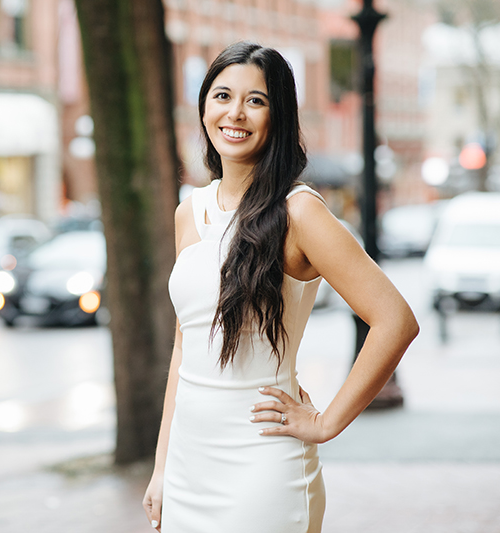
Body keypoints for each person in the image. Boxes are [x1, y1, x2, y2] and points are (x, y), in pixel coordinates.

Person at [142, 42, 419, 533]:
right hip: (188, 462)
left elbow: (395, 320)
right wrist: (163, 466)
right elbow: (184, 349)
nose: (235, 112)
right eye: (223, 95)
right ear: (204, 105)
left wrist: (325, 422)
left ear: (280, 116)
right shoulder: (191, 211)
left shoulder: (300, 212)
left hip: (262, 465)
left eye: (256, 100)